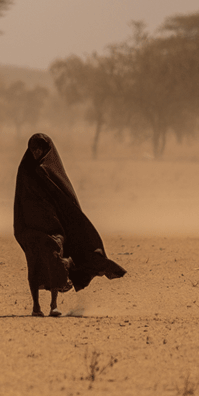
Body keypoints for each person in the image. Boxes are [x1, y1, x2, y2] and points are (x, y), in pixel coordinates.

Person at [14, 133, 125, 316]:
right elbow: (19, 200)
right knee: (33, 265)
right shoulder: (25, 170)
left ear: (46, 150)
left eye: (39, 149)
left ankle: (53, 305)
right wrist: (21, 228)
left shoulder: (50, 171)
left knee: (54, 262)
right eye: (32, 149)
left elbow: (66, 202)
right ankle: (36, 306)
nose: (35, 153)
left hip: (53, 228)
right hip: (31, 227)